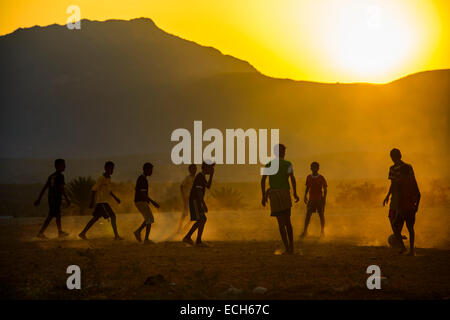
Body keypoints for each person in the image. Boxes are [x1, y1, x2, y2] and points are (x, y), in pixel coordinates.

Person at [261, 144, 299, 254]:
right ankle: (292, 247)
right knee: (288, 222)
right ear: (284, 153)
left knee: (281, 223)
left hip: (274, 195)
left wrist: (263, 195)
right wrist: (295, 193)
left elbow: (263, 180)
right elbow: (292, 179)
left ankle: (287, 248)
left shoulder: (269, 164)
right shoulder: (288, 164)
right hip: (285, 194)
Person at [383, 148, 420, 255]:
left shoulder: (405, 167)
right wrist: (388, 195)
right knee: (395, 220)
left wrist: (389, 195)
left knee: (396, 220)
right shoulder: (397, 168)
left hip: (400, 198)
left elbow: (398, 183)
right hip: (398, 197)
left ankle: (402, 244)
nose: (394, 159)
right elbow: (394, 184)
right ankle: (402, 244)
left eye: (394, 157)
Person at [79, 161, 123, 240]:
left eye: (113, 168)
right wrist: (92, 201)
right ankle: (116, 236)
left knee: (95, 218)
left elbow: (109, 191)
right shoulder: (101, 178)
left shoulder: (108, 178)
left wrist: (116, 198)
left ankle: (82, 233)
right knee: (113, 216)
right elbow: (94, 189)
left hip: (103, 202)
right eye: (111, 168)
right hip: (102, 202)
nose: (112, 170)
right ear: (106, 169)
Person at [34, 159, 70, 239]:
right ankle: (41, 233)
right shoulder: (60, 176)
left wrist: (39, 199)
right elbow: (61, 188)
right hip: (56, 198)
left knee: (57, 215)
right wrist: (67, 198)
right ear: (58, 166)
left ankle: (60, 232)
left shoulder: (51, 176)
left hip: (51, 198)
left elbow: (44, 188)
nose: (65, 166)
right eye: (63, 165)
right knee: (51, 216)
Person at [182, 161, 214, 247]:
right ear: (206, 167)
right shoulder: (200, 176)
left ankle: (193, 239)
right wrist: (203, 203)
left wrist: (211, 175)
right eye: (211, 168)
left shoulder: (202, 176)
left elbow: (208, 186)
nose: (212, 169)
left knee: (202, 219)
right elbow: (199, 191)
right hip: (195, 200)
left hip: (196, 200)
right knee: (201, 219)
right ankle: (192, 239)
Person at [133, 162, 160, 243]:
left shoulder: (142, 178)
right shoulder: (142, 179)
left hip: (140, 201)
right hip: (140, 201)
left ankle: (139, 232)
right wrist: (152, 202)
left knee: (148, 219)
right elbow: (142, 193)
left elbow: (137, 190)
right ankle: (145, 238)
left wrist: (148, 200)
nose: (151, 172)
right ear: (146, 170)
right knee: (150, 219)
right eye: (150, 170)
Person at [300, 162, 327, 238]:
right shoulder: (308, 177)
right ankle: (305, 231)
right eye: (312, 167)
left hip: (319, 199)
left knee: (321, 215)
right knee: (308, 215)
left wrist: (324, 199)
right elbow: (307, 187)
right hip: (311, 199)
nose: (314, 169)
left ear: (318, 168)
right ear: (311, 168)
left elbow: (325, 189)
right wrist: (305, 196)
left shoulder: (321, 177)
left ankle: (322, 232)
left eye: (315, 167)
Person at [177, 164, 197, 234]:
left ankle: (185, 228)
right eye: (193, 169)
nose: (194, 170)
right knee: (185, 213)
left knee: (194, 215)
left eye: (195, 169)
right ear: (189, 170)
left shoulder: (195, 178)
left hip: (194, 199)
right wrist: (183, 197)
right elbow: (181, 186)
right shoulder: (188, 178)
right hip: (188, 198)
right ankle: (179, 228)